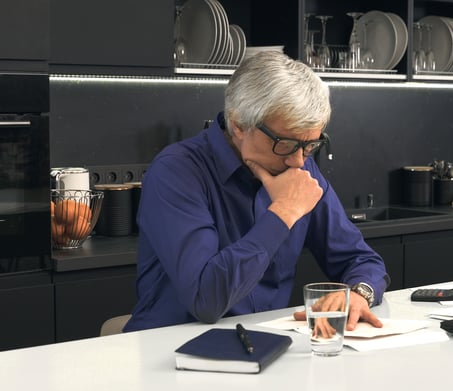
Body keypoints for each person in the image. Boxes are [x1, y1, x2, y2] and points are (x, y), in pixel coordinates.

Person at [123, 51, 390, 332]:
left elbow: (360, 259)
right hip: (171, 350)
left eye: (311, 145)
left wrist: (360, 293)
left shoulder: (300, 169)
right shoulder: (175, 172)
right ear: (238, 124)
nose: (299, 161)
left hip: (266, 344)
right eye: (285, 143)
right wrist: (283, 212)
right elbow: (205, 299)